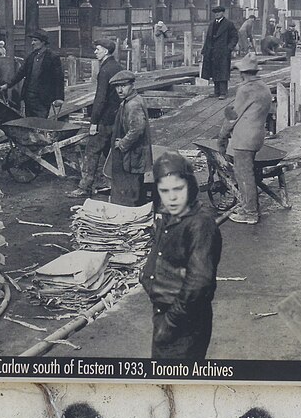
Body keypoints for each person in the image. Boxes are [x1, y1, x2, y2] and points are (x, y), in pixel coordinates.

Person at [140, 151, 222, 360]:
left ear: (190, 186)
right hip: (165, 312)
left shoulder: (200, 224)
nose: (172, 197)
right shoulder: (169, 215)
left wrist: (170, 322)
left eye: (178, 189)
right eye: (165, 191)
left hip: (185, 321)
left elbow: (199, 282)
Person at [218, 53, 272, 225]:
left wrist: (222, 136)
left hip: (244, 140)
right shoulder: (263, 86)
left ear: (243, 73)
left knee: (243, 174)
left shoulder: (245, 89)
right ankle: (248, 205)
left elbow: (233, 116)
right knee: (247, 172)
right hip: (257, 137)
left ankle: (250, 212)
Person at [67, 39, 122, 198]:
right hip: (116, 117)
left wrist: (94, 122)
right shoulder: (117, 67)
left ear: (105, 51)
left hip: (104, 120)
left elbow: (100, 98)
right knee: (110, 153)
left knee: (91, 153)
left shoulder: (104, 71)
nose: (95, 52)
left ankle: (84, 187)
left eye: (98, 49)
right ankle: (116, 184)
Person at [108, 69, 153, 206]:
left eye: (124, 86)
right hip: (132, 154)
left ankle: (131, 214)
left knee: (131, 188)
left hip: (133, 154)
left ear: (132, 85)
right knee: (133, 186)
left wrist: (122, 144)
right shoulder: (129, 101)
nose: (120, 90)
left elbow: (137, 129)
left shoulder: (133, 104)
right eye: (117, 86)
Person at [0, 30, 64, 118]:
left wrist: (59, 98)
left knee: (40, 124)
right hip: (28, 98)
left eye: (35, 40)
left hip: (43, 99)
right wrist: (7, 85)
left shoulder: (52, 57)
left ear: (43, 42)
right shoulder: (31, 56)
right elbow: (20, 73)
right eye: (32, 40)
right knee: (29, 123)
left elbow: (59, 78)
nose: (32, 43)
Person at [201, 6, 239, 100]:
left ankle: (223, 92)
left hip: (222, 52)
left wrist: (228, 48)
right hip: (212, 52)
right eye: (215, 12)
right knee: (214, 72)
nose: (216, 14)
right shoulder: (212, 24)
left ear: (223, 13)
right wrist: (205, 51)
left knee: (223, 72)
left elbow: (234, 37)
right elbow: (208, 38)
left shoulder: (228, 24)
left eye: (218, 12)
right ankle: (216, 92)